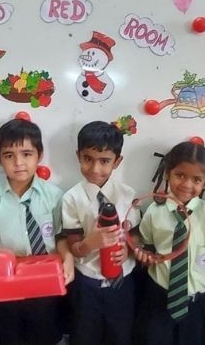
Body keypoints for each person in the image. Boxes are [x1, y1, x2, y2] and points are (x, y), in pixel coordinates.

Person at [0, 118, 74, 345]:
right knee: (8, 335)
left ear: (39, 155)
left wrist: (68, 257)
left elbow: (60, 237)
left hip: (45, 278)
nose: (18, 163)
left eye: (26, 154)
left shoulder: (54, 196)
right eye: (9, 155)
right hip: (7, 281)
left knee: (45, 333)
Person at [135, 141, 205, 345]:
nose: (187, 185)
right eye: (180, 175)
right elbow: (147, 249)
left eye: (196, 179)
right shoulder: (154, 211)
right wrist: (144, 256)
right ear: (167, 174)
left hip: (199, 304)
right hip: (160, 299)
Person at [61, 120, 139, 345]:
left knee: (121, 335)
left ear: (117, 161)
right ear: (78, 156)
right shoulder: (71, 199)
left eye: (104, 161)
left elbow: (136, 235)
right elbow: (74, 247)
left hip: (123, 283)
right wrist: (90, 243)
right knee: (85, 336)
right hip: (87, 284)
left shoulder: (128, 194)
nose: (95, 169)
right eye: (88, 159)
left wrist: (129, 250)